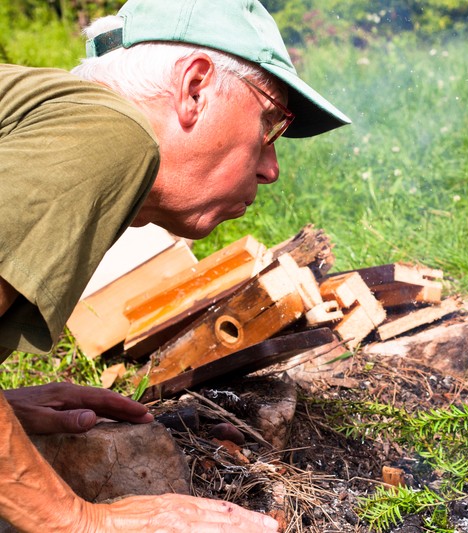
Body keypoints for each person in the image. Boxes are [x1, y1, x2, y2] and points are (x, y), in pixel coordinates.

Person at [0, 0, 350, 530]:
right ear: (194, 88)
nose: (271, 168)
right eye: (270, 123)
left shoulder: (57, 121)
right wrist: (77, 520)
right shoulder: (109, 134)